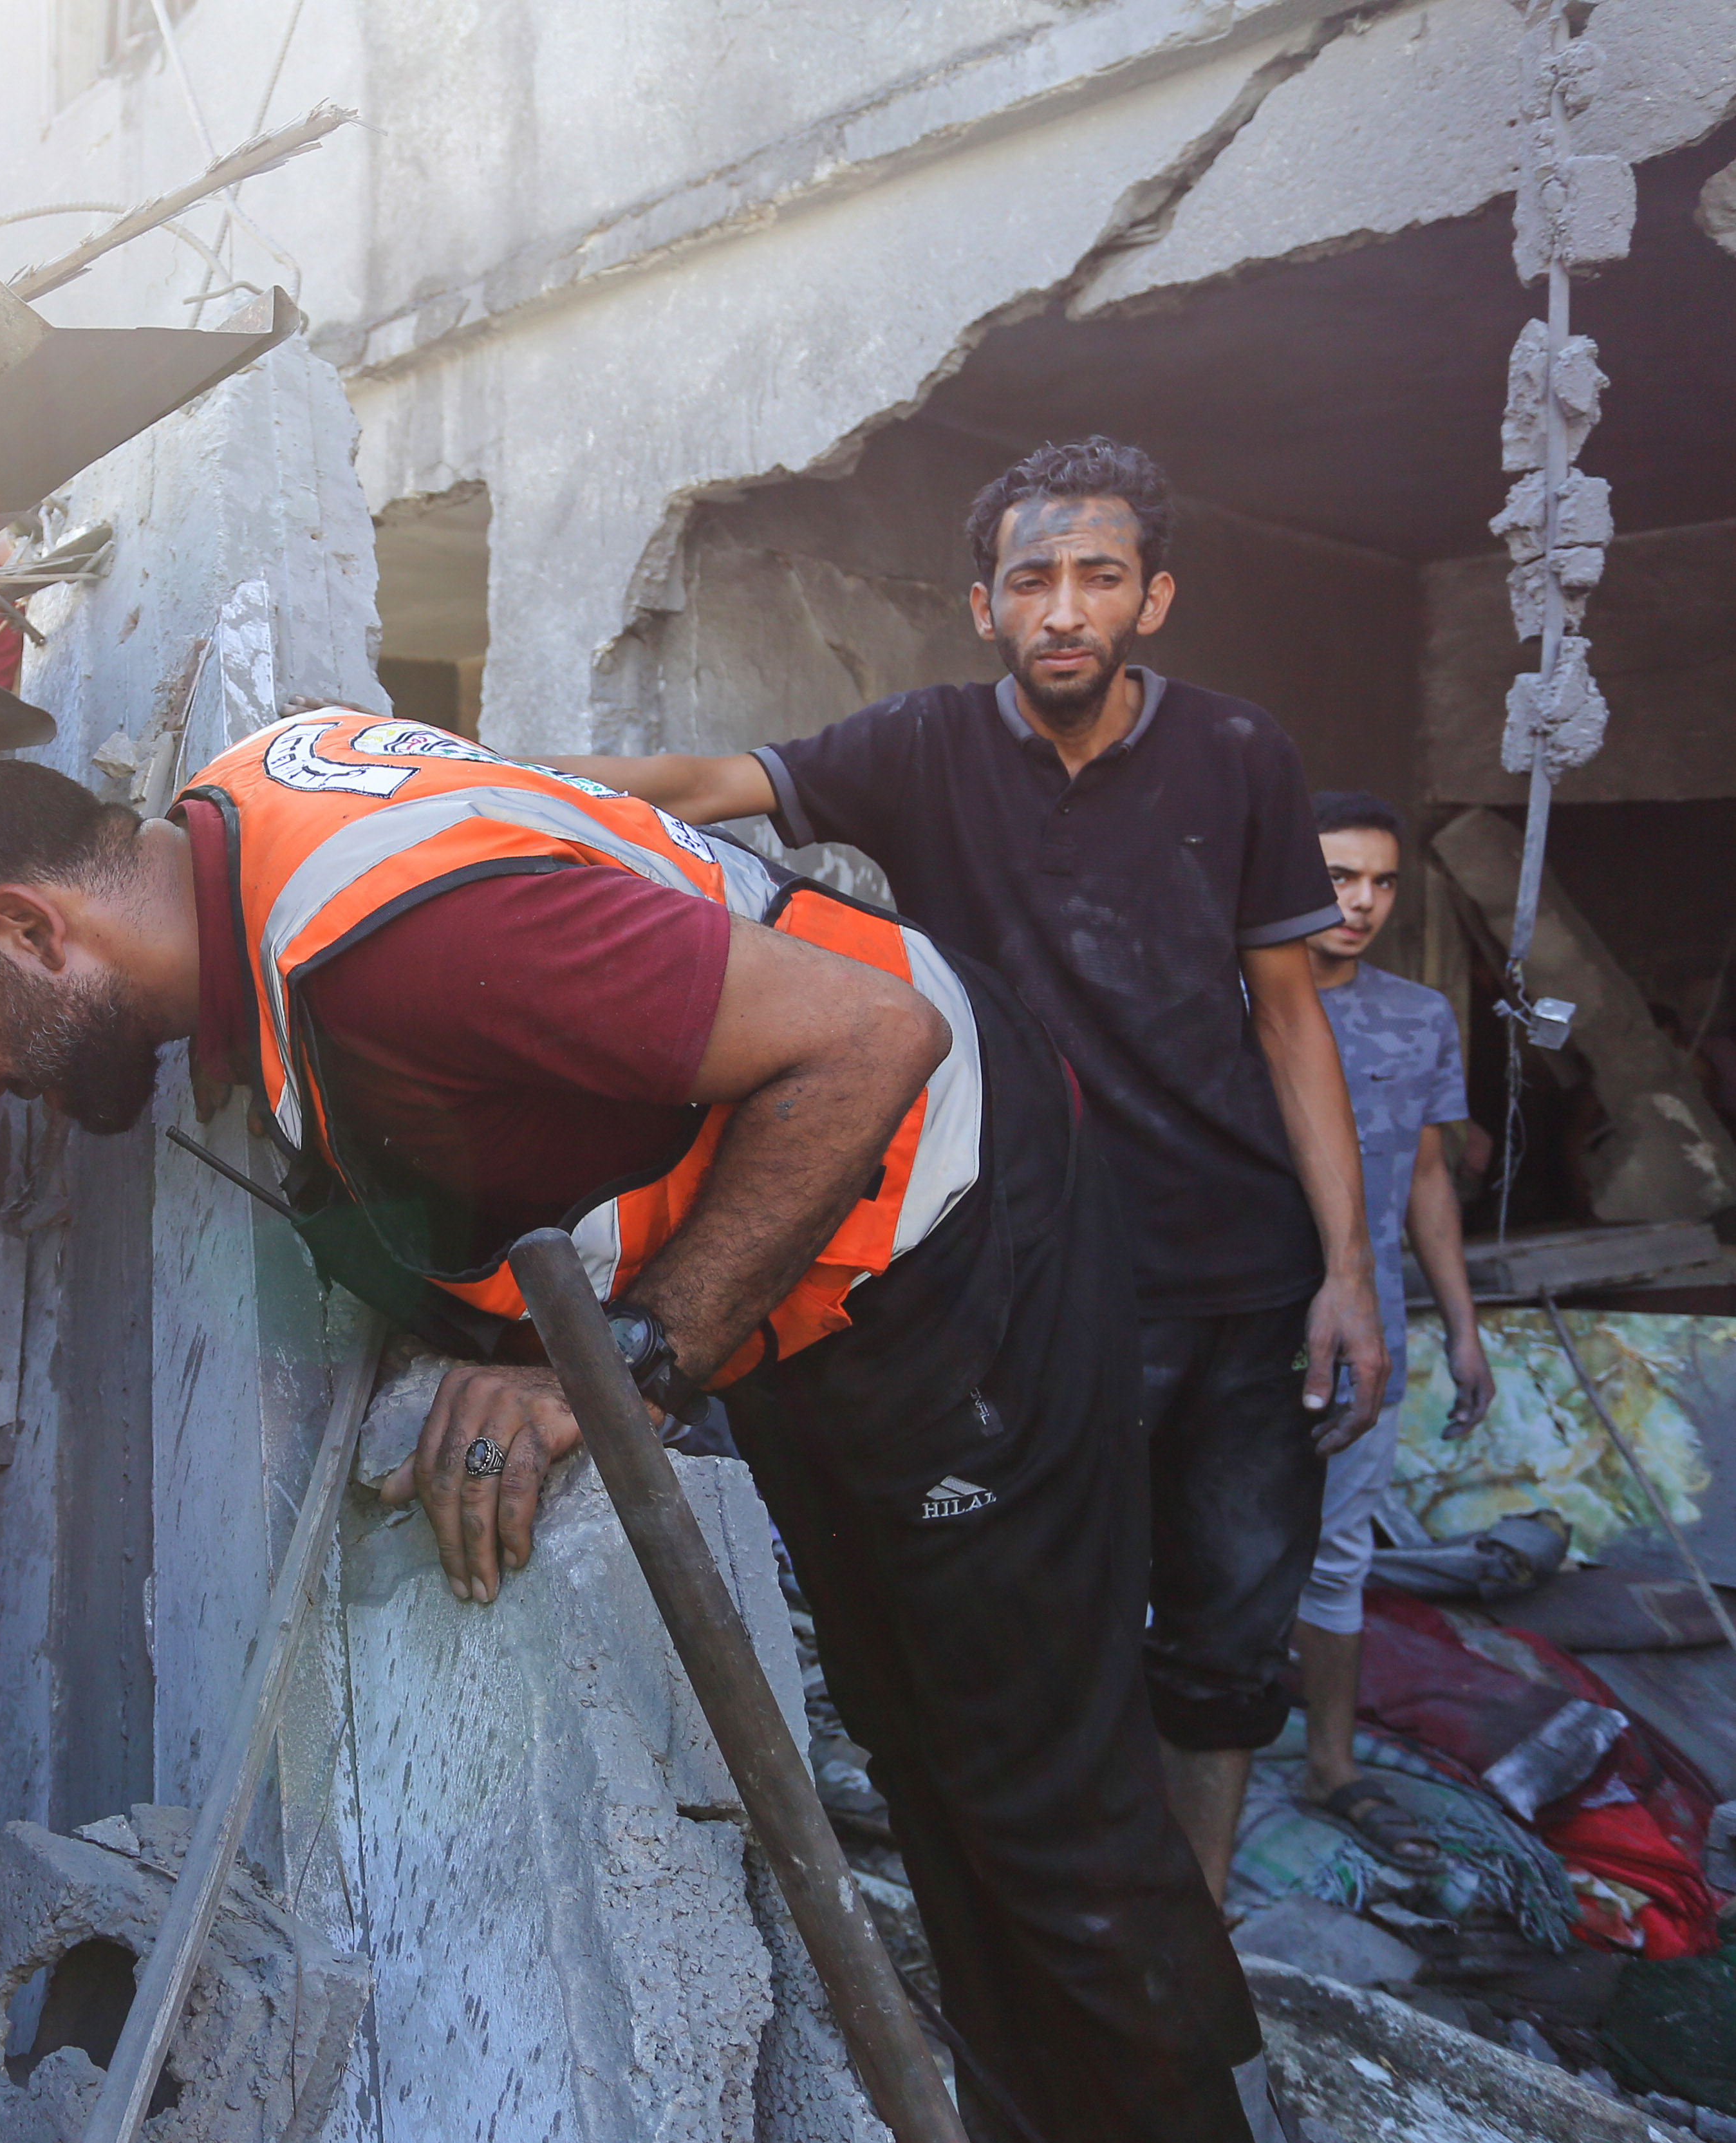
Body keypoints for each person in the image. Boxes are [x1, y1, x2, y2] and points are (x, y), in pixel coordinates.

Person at [0, 725, 1295, 2143]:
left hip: (942, 1227)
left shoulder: (382, 944)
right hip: (798, 1267)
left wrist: (621, 1369)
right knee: (931, 1757)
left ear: (31, 925)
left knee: (1049, 1817)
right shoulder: (247, 813)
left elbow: (867, 1037)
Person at [556, 436, 1381, 1900]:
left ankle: (1186, 1932)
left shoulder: (1239, 754)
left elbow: (1287, 1018)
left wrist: (1346, 1272)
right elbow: (698, 776)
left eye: (1097, 576)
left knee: (1225, 1628)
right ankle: (1068, 1912)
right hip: (1035, 1271)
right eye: (1032, 579)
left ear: (1152, 598)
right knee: (1036, 1608)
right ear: (983, 605)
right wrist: (456, 775)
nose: (1064, 606)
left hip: (1240, 1276)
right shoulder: (917, 743)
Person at [1296, 791, 1495, 1869]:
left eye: (1379, 883)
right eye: (1338, 877)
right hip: (1230, 1332)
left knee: (1335, 1559)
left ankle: (1330, 1767)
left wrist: (1460, 1327)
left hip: (1367, 1335)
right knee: (1173, 1558)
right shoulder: (1231, 1002)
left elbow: (1426, 1174)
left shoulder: (1416, 1015)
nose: (1362, 903)